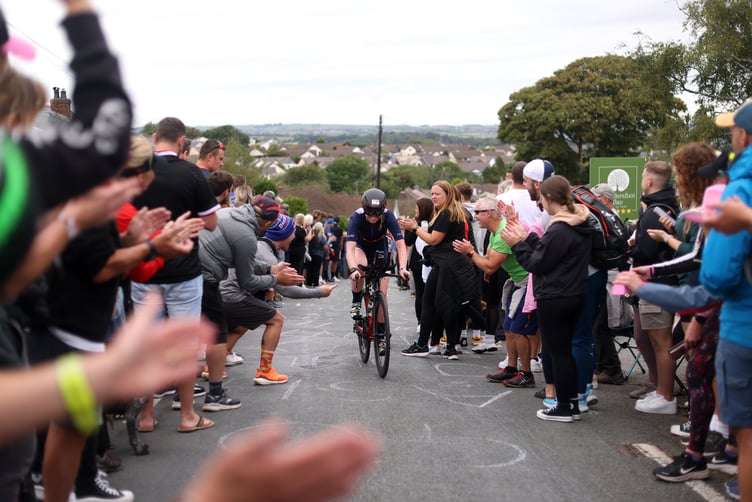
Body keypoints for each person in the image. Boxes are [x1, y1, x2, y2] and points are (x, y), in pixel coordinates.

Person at [130, 116, 220, 434]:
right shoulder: (192, 173)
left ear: (155, 137)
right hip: (183, 269)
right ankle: (187, 416)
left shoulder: (139, 170)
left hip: (144, 268)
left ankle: (145, 416)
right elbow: (210, 223)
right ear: (182, 142)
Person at [500, 175, 592, 422]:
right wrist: (526, 237)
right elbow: (547, 251)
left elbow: (536, 263)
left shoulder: (560, 228)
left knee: (557, 352)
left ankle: (563, 406)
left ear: (550, 198)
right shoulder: (580, 222)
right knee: (567, 350)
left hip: (555, 295)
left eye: (542, 199)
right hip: (575, 292)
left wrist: (518, 244)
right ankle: (572, 402)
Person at [701, 99, 752, 502]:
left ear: (745, 135)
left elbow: (717, 274)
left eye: (733, 130)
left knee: (747, 438)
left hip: (744, 324)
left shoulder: (739, 188)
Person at [454, 196, 537, 388]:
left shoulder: (501, 234)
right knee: (508, 326)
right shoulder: (494, 232)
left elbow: (489, 266)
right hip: (516, 281)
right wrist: (480, 261)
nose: (475, 216)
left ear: (489, 213)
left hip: (528, 282)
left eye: (478, 212)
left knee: (517, 329)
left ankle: (526, 373)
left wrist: (470, 252)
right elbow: (488, 261)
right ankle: (511, 367)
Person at [399, 181, 480, 359]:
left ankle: (423, 344)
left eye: (438, 194)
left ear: (448, 195)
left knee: (430, 303)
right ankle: (450, 346)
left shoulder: (446, 213)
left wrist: (414, 228)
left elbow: (433, 239)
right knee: (448, 305)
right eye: (432, 194)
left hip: (446, 265)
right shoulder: (454, 212)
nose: (434, 197)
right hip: (452, 264)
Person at [345, 188, 409, 320]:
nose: (373, 216)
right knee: (361, 266)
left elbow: (401, 245)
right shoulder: (356, 216)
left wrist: (403, 268)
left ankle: (380, 331)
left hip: (380, 247)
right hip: (361, 246)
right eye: (370, 212)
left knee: (383, 294)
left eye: (377, 212)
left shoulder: (388, 216)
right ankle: (356, 300)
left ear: (383, 210)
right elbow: (350, 248)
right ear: (364, 208)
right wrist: (353, 269)